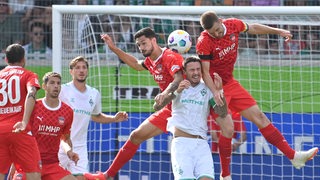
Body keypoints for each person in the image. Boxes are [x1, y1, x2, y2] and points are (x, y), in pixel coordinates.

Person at [196, 10, 319, 180]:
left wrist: (278, 31)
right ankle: (225, 175)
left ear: (220, 21)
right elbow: (206, 72)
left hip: (230, 83)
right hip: (213, 87)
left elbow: (253, 27)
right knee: (229, 129)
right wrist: (215, 92)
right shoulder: (204, 41)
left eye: (217, 30)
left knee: (261, 117)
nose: (216, 35)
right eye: (212, 33)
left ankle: (294, 157)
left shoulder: (233, 24)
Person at [84, 27, 186, 180]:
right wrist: (113, 48)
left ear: (154, 40)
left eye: (144, 43)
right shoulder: (150, 61)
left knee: (185, 152)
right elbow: (136, 64)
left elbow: (179, 79)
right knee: (136, 136)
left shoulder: (170, 56)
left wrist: (164, 93)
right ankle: (107, 176)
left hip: (187, 109)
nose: (141, 47)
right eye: (139, 45)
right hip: (171, 109)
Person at [58, 56, 128, 180]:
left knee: (80, 178)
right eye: (77, 68)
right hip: (59, 144)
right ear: (71, 71)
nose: (81, 70)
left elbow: (95, 116)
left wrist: (114, 118)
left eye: (84, 67)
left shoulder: (94, 93)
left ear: (87, 71)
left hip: (79, 146)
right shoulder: (63, 90)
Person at [8, 72, 79, 180]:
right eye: (52, 83)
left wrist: (69, 151)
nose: (56, 86)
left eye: (58, 83)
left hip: (51, 164)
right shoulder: (34, 107)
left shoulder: (67, 111)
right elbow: (20, 137)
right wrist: (13, 166)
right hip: (29, 164)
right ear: (44, 86)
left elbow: (65, 137)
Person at [167, 56, 218, 180]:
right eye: (192, 70)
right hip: (182, 144)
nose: (196, 73)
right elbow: (157, 105)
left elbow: (221, 112)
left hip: (202, 143)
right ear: (185, 72)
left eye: (198, 69)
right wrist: (177, 91)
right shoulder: (178, 86)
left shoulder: (207, 89)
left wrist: (218, 90)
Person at [0, 44, 41, 180]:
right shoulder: (28, 75)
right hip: (20, 131)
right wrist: (24, 121)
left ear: (6, 59)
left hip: (1, 131)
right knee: (34, 174)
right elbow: (31, 93)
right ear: (24, 59)